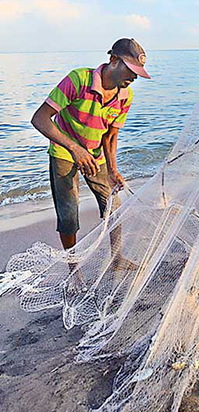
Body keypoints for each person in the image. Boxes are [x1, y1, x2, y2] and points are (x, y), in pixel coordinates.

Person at [31, 38, 150, 270]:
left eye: (139, 72)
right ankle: (73, 269)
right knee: (68, 216)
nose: (135, 77)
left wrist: (113, 170)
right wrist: (74, 149)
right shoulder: (79, 80)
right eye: (132, 69)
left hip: (97, 156)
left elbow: (110, 136)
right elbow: (40, 119)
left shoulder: (126, 95)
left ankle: (116, 259)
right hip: (65, 152)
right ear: (114, 60)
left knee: (114, 207)